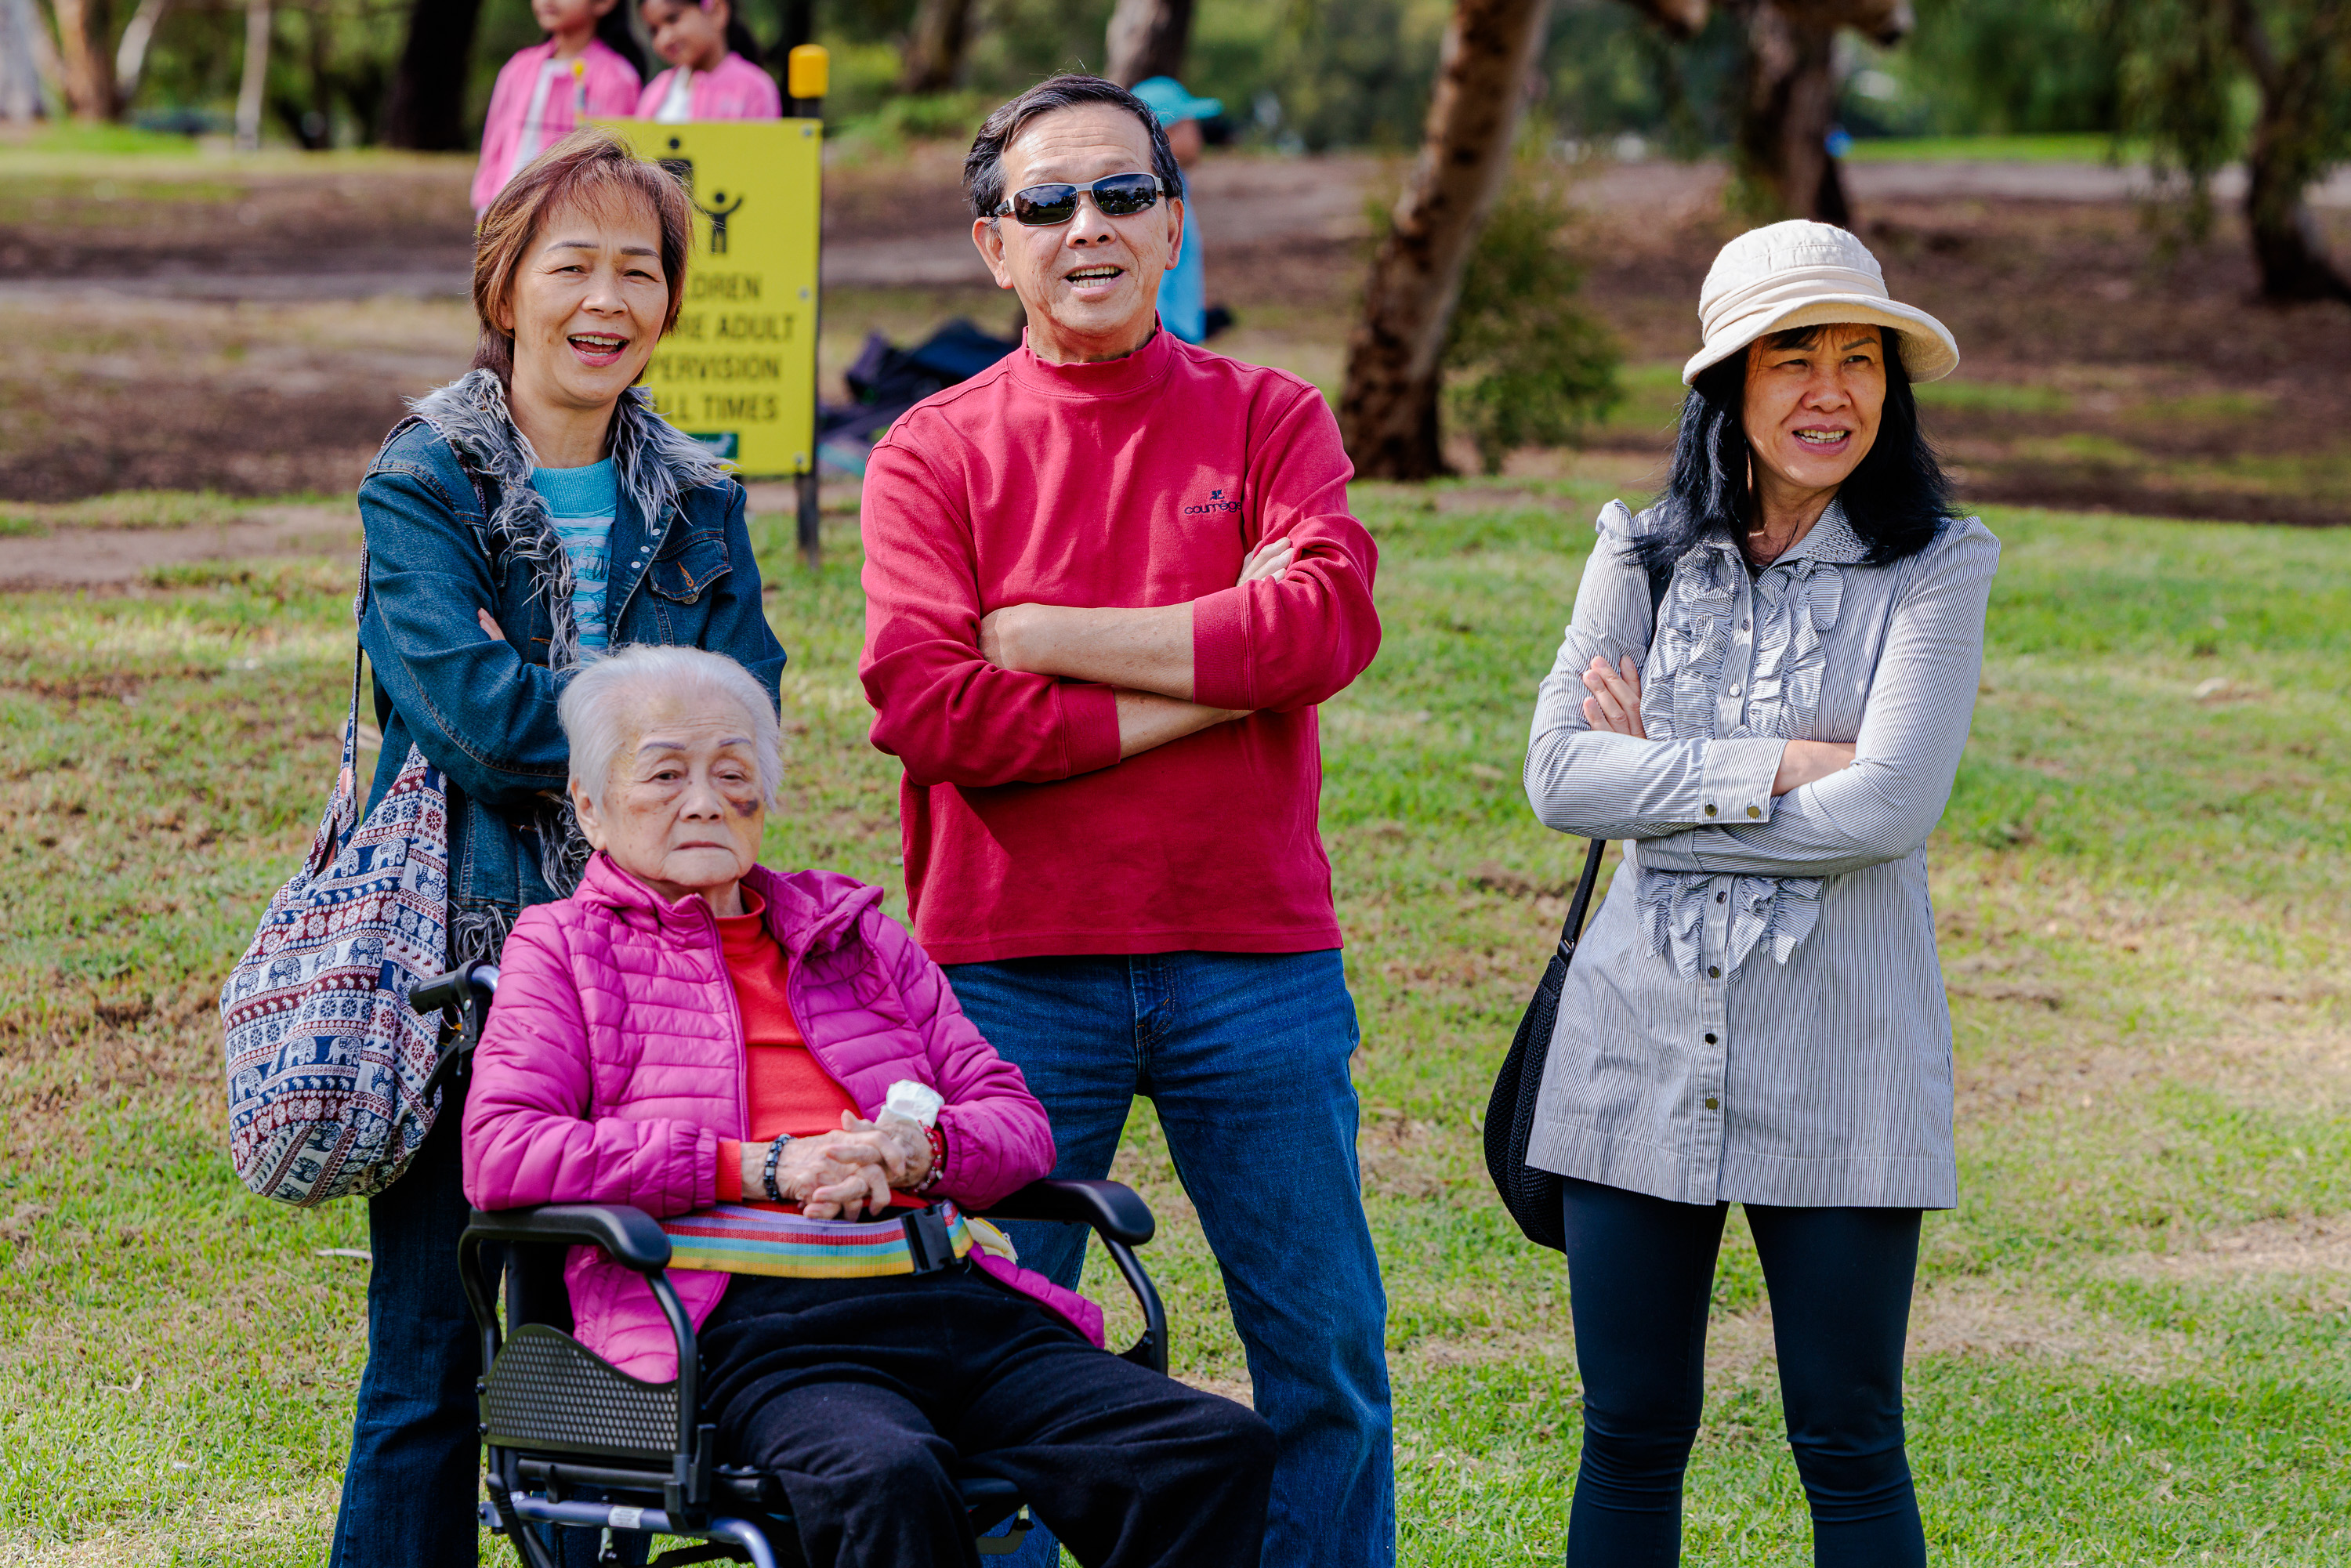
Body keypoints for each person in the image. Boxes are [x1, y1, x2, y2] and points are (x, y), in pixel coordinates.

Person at [859, 74, 1392, 1568]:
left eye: (1121, 194)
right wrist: (1217, 682)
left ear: (1173, 225)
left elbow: (1325, 628)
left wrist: (1043, 634)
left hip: (1255, 961)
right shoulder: (931, 451)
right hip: (1010, 971)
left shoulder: (1272, 416)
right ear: (995, 247)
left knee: (1325, 1361)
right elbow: (934, 713)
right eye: (1047, 203)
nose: (1086, 226)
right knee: (986, 1356)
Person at [462, 644, 1279, 1568]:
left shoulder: (854, 939)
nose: (705, 802)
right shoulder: (562, 948)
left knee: (1208, 1451)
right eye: (665, 774)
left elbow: (1016, 1120)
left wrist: (918, 1152)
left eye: (733, 773)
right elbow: (503, 1151)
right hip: (743, 1327)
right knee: (884, 1478)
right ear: (590, 807)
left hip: (943, 1297)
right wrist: (764, 1167)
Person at [1517, 219, 2000, 1566]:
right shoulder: (1639, 553)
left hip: (1846, 1057)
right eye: (1794, 357)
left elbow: (1890, 806)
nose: (1831, 391)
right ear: (1729, 381)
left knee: (1848, 1441)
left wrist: (1660, 788)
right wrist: (1788, 766)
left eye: (1861, 359)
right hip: (1633, 1052)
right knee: (1628, 1434)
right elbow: (1559, 775)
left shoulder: (1939, 564)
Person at [333, 129, 785, 1568]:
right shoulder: (425, 481)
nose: (607, 300)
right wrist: (656, 727)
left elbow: (744, 725)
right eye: (572, 265)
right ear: (506, 285)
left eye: (639, 271)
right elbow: (472, 723)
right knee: (429, 1364)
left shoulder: (701, 495)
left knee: (612, 1358)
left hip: (653, 981)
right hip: (466, 985)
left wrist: (600, 716)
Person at [471, 0, 644, 216]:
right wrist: (485, 206)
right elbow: (494, 146)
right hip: (505, 212)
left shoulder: (617, 78)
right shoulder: (518, 68)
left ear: (604, 3)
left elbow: (615, 164)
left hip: (570, 218)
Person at [1128, 75, 1218, 343]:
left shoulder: (1175, 183)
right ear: (1169, 132)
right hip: (1166, 336)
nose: (1198, 133)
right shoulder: (1158, 191)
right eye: (1191, 123)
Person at [636, 0, 781, 122]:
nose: (664, 39)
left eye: (673, 19)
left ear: (716, 12)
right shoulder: (655, 90)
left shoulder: (754, 89)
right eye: (654, 31)